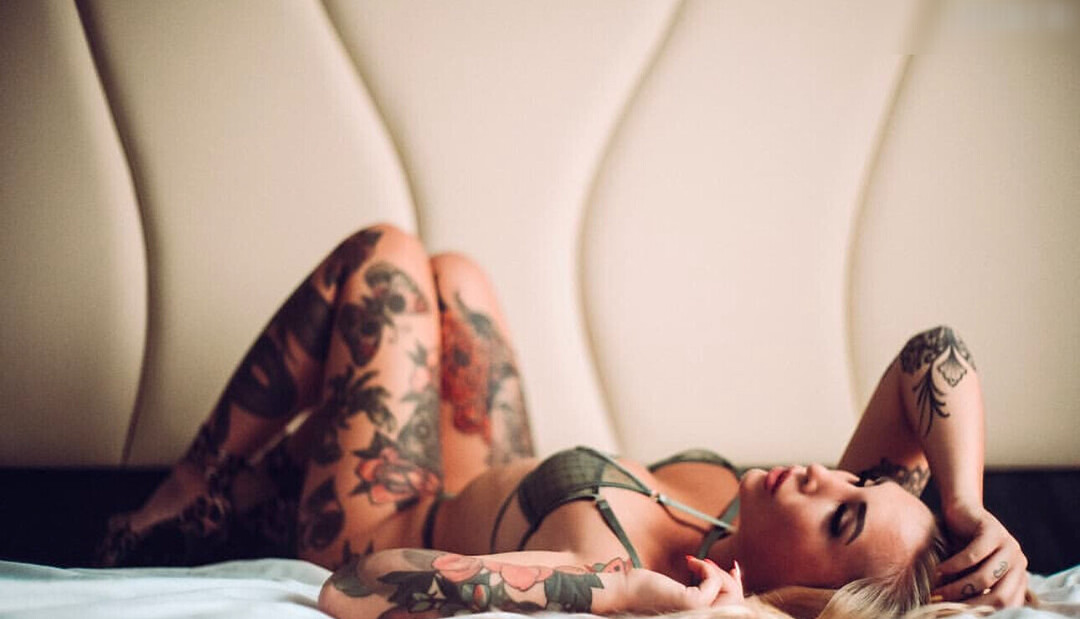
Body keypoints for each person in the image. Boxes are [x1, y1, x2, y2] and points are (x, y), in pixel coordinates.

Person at [97, 223, 1029, 618]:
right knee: (457, 276)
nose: (829, 475)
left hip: (380, 519)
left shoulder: (637, 583)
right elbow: (931, 352)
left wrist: (622, 594)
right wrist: (965, 505)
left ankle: (177, 502)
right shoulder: (772, 509)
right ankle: (244, 493)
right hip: (489, 473)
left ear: (812, 598)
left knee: (386, 257)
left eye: (842, 516)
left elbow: (351, 588)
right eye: (860, 479)